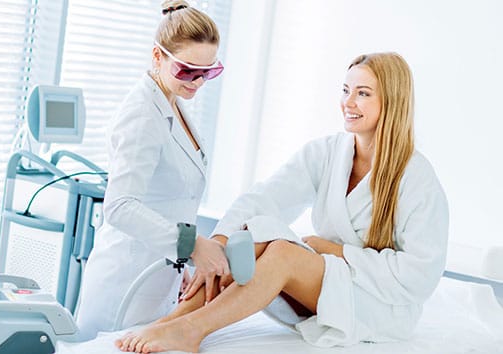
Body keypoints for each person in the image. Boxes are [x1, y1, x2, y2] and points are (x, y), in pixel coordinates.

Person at [116, 52, 449, 353]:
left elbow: (419, 276)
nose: (348, 102)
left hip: (381, 306)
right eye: (345, 90)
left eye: (363, 93)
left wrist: (333, 251)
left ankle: (191, 329)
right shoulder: (329, 152)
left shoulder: (417, 178)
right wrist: (218, 244)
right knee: (253, 234)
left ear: (392, 101)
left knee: (285, 253)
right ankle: (171, 322)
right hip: (330, 287)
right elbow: (265, 199)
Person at [74, 0, 230, 341]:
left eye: (208, 72)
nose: (198, 81)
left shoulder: (173, 103)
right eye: (187, 70)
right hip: (124, 281)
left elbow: (169, 199)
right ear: (157, 57)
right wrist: (190, 246)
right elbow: (119, 206)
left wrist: (177, 266)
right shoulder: (142, 114)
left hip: (157, 276)